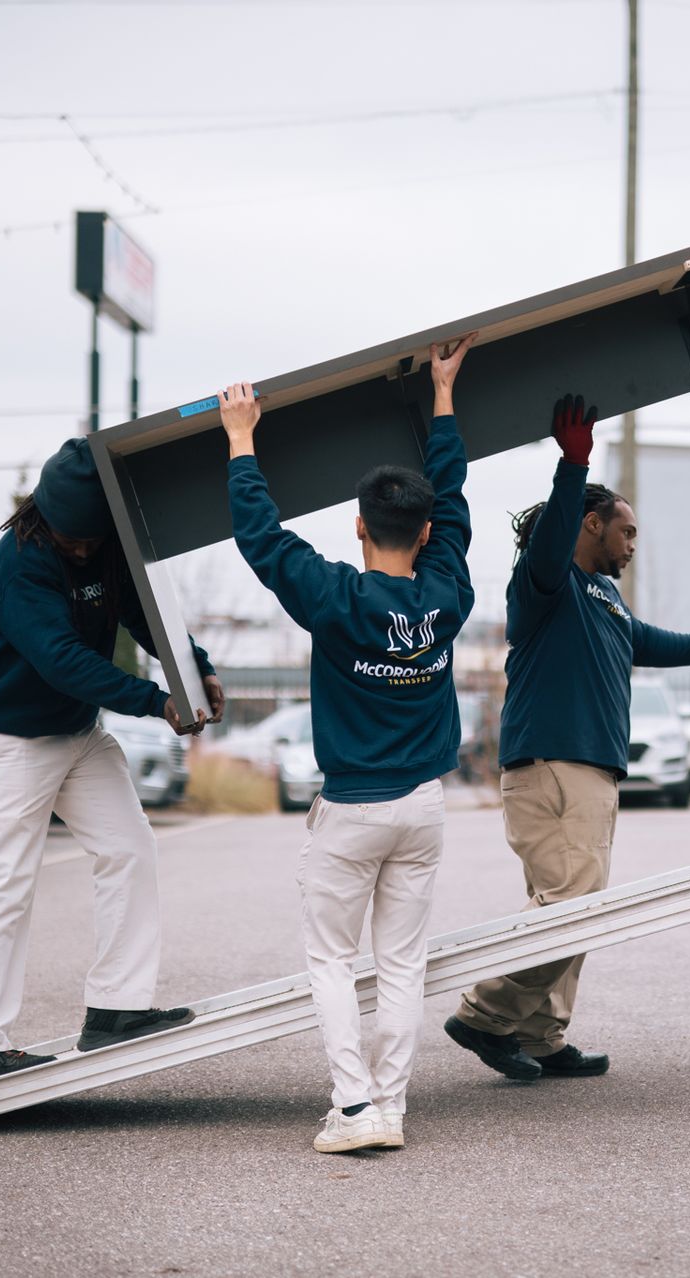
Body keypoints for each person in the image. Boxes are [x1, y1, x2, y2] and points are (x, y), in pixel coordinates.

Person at [445, 393, 690, 1082]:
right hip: (554, 764)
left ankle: (540, 1036)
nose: (631, 546)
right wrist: (573, 465)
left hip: (589, 766)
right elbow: (550, 538)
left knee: (568, 907)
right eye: (625, 533)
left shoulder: (603, 596)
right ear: (591, 524)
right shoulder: (546, 581)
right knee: (576, 907)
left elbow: (644, 640)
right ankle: (484, 1015)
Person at [220, 333, 478, 1154]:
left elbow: (262, 539)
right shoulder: (448, 595)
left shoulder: (334, 597)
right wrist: (442, 396)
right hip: (424, 810)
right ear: (425, 530)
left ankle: (356, 1110)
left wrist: (240, 438)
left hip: (353, 810)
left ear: (358, 528)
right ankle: (388, 1107)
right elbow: (459, 512)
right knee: (400, 966)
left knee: (332, 962)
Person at [0, 437, 224, 1092]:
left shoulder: (106, 543)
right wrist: (157, 701)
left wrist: (195, 668)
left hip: (70, 732)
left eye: (94, 539)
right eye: (75, 541)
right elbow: (62, 660)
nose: (85, 550)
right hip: (2, 741)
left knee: (130, 848)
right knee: (6, 885)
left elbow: (146, 616)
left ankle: (116, 1009)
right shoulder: (19, 562)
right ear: (46, 517)